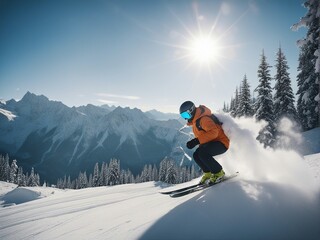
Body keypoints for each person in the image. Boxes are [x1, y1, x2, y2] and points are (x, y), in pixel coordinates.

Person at [179, 101, 230, 185]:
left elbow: (214, 132)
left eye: (186, 115)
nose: (185, 118)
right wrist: (197, 143)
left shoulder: (204, 119)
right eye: (183, 116)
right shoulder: (196, 121)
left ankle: (218, 173)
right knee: (196, 154)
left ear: (191, 111)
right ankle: (208, 173)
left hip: (221, 143)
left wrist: (196, 141)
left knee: (203, 153)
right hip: (213, 142)